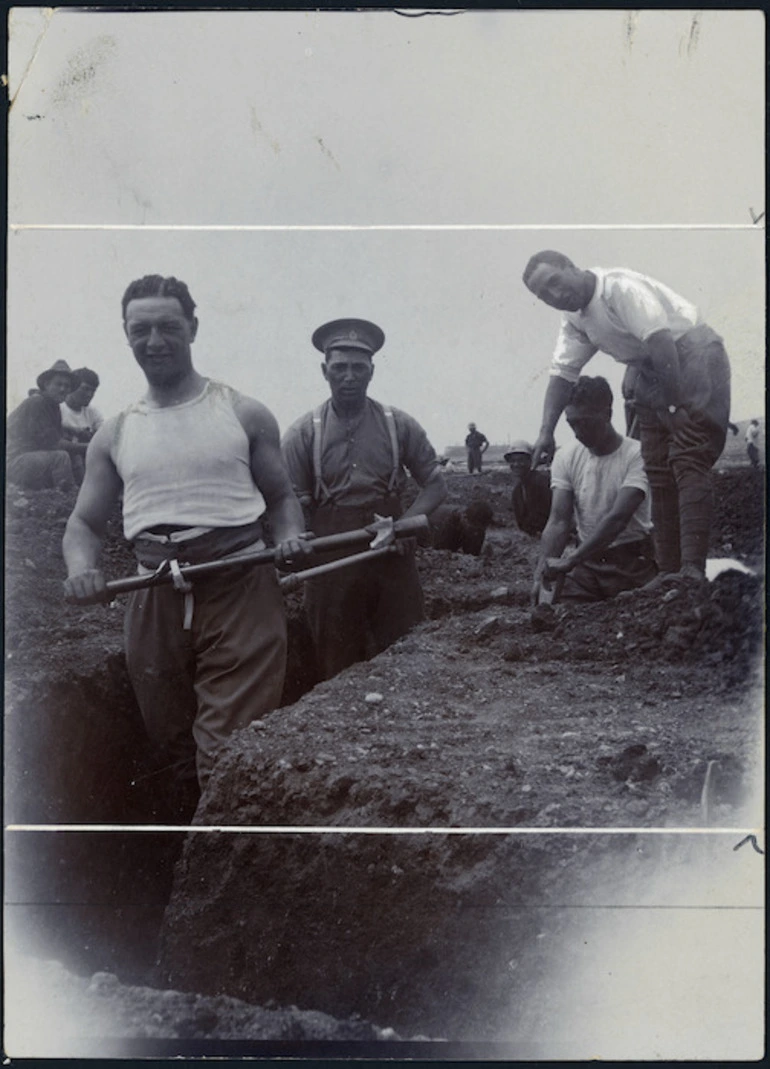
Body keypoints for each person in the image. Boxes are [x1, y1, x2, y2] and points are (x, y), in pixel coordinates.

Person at [62, 275, 311, 805]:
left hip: (240, 581)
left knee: (226, 745)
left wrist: (289, 538)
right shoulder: (115, 432)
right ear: (126, 335)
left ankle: (219, 865)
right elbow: (83, 525)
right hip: (152, 590)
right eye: (141, 329)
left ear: (192, 328)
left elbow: (284, 500)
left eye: (169, 327)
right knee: (169, 737)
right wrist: (81, 569)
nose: (155, 341)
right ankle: (187, 850)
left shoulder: (241, 412)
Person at [523, 250, 731, 587]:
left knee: (688, 455)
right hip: (649, 368)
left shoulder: (617, 289)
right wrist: (546, 431)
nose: (555, 296)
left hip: (689, 355)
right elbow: (562, 374)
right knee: (657, 466)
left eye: (555, 283)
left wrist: (673, 406)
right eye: (544, 295)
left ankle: (691, 572)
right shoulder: (576, 320)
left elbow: (661, 340)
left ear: (572, 267)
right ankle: (668, 571)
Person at [282, 318, 447, 679]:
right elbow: (289, 501)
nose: (349, 377)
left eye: (359, 368)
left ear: (372, 371)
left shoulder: (399, 424)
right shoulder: (301, 434)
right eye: (339, 368)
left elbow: (435, 484)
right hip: (332, 556)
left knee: (405, 651)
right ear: (324, 371)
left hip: (391, 552)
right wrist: (294, 537)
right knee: (334, 658)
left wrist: (404, 526)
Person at [532, 376, 657, 603]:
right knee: (561, 616)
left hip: (631, 564)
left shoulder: (637, 454)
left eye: (585, 423)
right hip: (586, 568)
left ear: (607, 415)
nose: (578, 432)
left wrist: (572, 559)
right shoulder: (566, 456)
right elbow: (559, 521)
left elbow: (617, 519)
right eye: (572, 424)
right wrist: (542, 572)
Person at [7, 360, 82, 491]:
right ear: (46, 385)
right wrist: (89, 447)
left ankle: (82, 492)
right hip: (12, 463)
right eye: (58, 384)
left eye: (67, 386)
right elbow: (55, 443)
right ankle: (68, 498)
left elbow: (53, 435)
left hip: (27, 460)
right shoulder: (37, 403)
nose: (63, 389)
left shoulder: (53, 405)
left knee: (72, 453)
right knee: (61, 457)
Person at [60, 368, 104, 483]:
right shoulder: (59, 409)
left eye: (93, 391)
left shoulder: (93, 412)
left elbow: (103, 436)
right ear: (73, 386)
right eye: (85, 389)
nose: (89, 394)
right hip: (68, 461)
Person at [503, 440, 552, 538]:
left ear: (530, 461)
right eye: (513, 461)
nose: (516, 464)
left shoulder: (542, 482)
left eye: (521, 460)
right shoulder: (517, 491)